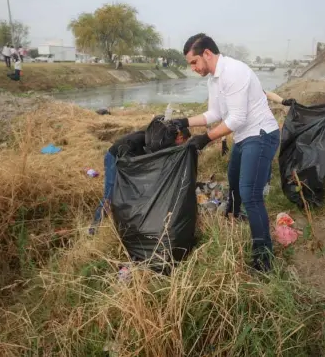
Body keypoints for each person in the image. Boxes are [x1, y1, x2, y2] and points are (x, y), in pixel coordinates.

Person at [172, 33, 280, 272]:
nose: (193, 68)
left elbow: (238, 118)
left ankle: (264, 259)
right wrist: (184, 121)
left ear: (207, 54)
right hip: (244, 136)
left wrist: (206, 138)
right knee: (233, 178)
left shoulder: (234, 71)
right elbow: (214, 115)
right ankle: (236, 215)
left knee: (250, 194)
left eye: (194, 62)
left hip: (261, 135)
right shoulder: (214, 79)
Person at [90, 118, 191, 234]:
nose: (181, 146)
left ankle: (121, 223)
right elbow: (129, 153)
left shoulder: (163, 141)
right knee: (111, 193)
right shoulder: (156, 139)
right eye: (183, 142)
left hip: (128, 159)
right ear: (180, 137)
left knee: (129, 193)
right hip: (115, 157)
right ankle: (94, 228)